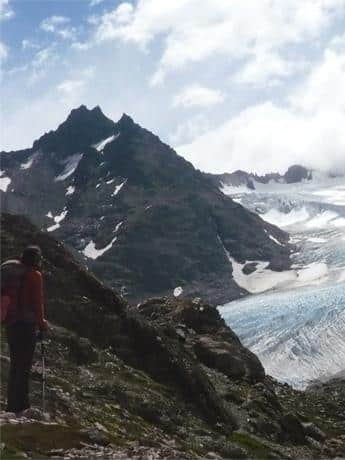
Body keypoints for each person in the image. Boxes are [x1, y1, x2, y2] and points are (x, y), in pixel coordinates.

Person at [4, 245, 48, 414]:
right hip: (26, 326)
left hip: (11, 323)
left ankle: (12, 404)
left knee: (16, 364)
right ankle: (21, 405)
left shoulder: (13, 271)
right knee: (24, 366)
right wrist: (42, 324)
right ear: (36, 260)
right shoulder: (34, 276)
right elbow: (37, 304)